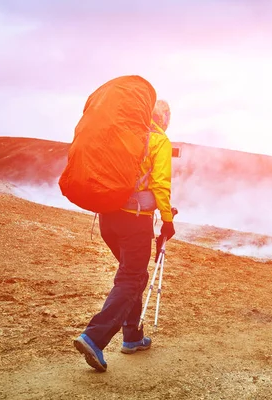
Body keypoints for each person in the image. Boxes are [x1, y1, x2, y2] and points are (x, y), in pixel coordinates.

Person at [73, 99, 176, 373]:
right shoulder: (158, 141)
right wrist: (167, 221)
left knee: (135, 274)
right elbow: (161, 184)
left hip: (108, 218)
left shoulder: (123, 135)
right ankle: (94, 338)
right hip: (135, 220)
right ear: (163, 118)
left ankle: (132, 336)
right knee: (132, 278)